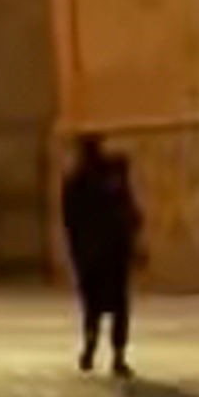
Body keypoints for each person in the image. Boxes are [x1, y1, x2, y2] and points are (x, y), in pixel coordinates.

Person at [61, 133, 142, 379]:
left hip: (91, 254)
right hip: (114, 252)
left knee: (92, 306)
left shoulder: (76, 182)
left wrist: (76, 250)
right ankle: (117, 356)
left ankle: (90, 350)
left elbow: (70, 221)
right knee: (119, 306)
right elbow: (131, 214)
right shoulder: (113, 180)